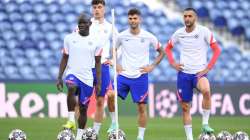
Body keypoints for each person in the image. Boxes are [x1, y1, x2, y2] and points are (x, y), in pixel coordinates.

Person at [165, 8, 221, 140]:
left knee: (206, 91)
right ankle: (189, 138)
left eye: (190, 16)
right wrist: (173, 63)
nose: (187, 19)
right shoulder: (179, 33)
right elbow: (167, 48)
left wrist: (207, 68)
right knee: (185, 108)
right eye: (185, 16)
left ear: (195, 18)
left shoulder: (204, 31)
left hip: (199, 73)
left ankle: (205, 123)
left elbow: (217, 50)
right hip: (184, 74)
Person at [115, 8, 164, 140]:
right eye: (130, 18)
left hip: (140, 77)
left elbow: (162, 52)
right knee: (109, 96)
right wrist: (116, 64)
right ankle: (114, 125)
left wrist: (152, 66)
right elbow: (113, 50)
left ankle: (140, 137)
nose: (132, 21)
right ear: (128, 19)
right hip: (124, 75)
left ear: (140, 19)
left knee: (141, 108)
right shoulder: (121, 36)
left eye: (135, 18)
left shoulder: (148, 36)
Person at [56, 13, 102, 140]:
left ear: (90, 24)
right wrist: (59, 76)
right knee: (71, 87)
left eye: (84, 23)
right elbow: (64, 58)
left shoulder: (96, 41)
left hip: (87, 79)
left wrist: (98, 83)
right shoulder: (69, 38)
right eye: (79, 23)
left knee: (83, 109)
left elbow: (98, 63)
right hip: (72, 74)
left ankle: (79, 136)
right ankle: (71, 120)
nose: (81, 25)